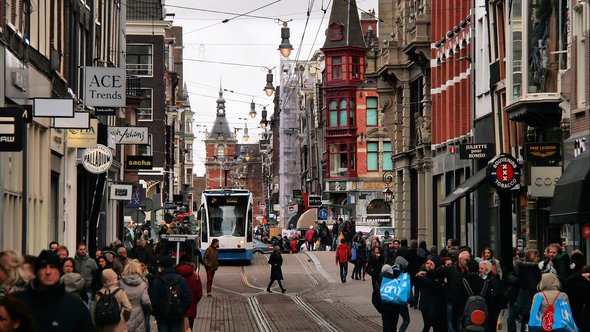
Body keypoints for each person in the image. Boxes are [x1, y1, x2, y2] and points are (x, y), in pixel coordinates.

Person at [14, 250, 94, 331]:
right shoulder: (19, 302)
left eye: (52, 267)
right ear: (37, 272)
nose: (48, 272)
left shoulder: (75, 306)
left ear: (59, 271)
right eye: (43, 267)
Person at [149, 256, 192, 332]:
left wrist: (156, 313)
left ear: (161, 267)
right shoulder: (181, 280)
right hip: (177, 315)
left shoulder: (157, 281)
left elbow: (153, 299)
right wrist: (182, 311)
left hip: (162, 316)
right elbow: (187, 298)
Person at [119, 260, 151, 332]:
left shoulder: (120, 282)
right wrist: (150, 309)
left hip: (124, 312)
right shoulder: (142, 283)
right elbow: (145, 301)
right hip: (139, 312)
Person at [415, 256, 446, 332]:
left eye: (431, 263)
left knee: (433, 324)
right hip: (424, 303)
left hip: (434, 304)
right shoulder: (421, 274)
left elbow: (436, 287)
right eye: (427, 263)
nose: (429, 265)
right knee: (427, 324)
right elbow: (418, 284)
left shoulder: (437, 275)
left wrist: (428, 275)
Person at [175, 258, 203, 330]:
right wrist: (194, 301)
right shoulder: (195, 276)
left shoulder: (175, 275)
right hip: (191, 308)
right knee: (189, 328)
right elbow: (199, 293)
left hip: (177, 308)